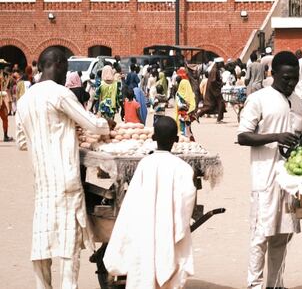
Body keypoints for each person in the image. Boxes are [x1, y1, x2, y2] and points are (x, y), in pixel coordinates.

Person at [15, 48, 111, 289]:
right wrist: (106, 124)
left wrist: (48, 139)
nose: (66, 74)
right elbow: (93, 125)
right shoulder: (60, 94)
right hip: (66, 181)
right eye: (65, 69)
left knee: (42, 243)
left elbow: (22, 141)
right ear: (56, 64)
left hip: (43, 183)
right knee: (68, 247)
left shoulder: (25, 99)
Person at [237, 51, 302, 289]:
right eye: (286, 77)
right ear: (272, 74)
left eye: (294, 78)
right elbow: (243, 136)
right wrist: (276, 137)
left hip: (290, 178)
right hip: (264, 176)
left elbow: (295, 134)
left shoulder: (296, 101)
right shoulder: (259, 99)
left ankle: (275, 284)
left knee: (283, 234)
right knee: (261, 235)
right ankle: (254, 285)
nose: (290, 82)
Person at [103, 117, 197, 289]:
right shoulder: (184, 168)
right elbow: (188, 201)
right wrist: (177, 225)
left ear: (153, 138)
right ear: (176, 140)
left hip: (144, 230)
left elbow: (132, 202)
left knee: (143, 272)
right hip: (170, 229)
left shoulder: (145, 164)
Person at [196, 59, 225, 123]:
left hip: (213, 89)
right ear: (218, 63)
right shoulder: (214, 70)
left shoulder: (215, 69)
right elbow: (213, 81)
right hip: (214, 90)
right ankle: (219, 119)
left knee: (211, 105)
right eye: (221, 63)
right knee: (220, 103)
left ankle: (198, 114)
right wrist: (220, 83)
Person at [174, 68, 196, 140]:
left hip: (182, 109)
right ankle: (188, 134)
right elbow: (191, 95)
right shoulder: (187, 85)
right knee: (187, 122)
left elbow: (179, 98)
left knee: (182, 122)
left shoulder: (179, 90)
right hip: (188, 108)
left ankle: (184, 134)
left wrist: (181, 105)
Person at [0, 67, 13, 141]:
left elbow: (4, 89)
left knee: (5, 118)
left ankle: (5, 136)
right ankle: (5, 136)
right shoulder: (1, 78)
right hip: (1, 102)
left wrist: (7, 79)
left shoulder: (2, 78)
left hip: (1, 101)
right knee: (5, 118)